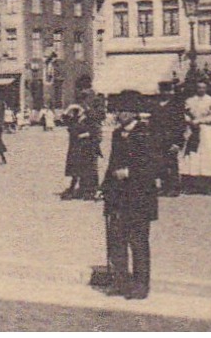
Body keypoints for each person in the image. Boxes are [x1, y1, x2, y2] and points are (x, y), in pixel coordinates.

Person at [100, 108, 158, 299]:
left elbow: (152, 165)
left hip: (140, 196)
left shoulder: (146, 133)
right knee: (117, 239)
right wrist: (105, 186)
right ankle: (121, 282)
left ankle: (141, 285)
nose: (121, 115)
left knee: (138, 241)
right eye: (120, 111)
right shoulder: (117, 134)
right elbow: (112, 162)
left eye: (126, 111)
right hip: (118, 196)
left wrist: (130, 173)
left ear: (135, 113)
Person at [179, 81, 211, 194]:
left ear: (207, 88)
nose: (201, 90)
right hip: (192, 130)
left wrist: (200, 121)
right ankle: (191, 186)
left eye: (203, 87)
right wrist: (190, 121)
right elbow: (184, 113)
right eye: (199, 87)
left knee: (207, 156)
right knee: (192, 156)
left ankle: (208, 186)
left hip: (206, 131)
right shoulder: (189, 101)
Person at [61, 104, 99, 200]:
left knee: (88, 170)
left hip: (87, 149)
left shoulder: (90, 120)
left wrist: (86, 134)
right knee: (75, 169)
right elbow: (64, 119)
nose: (78, 112)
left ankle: (89, 191)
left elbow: (96, 133)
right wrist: (68, 108)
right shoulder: (74, 120)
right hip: (75, 148)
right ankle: (77, 189)